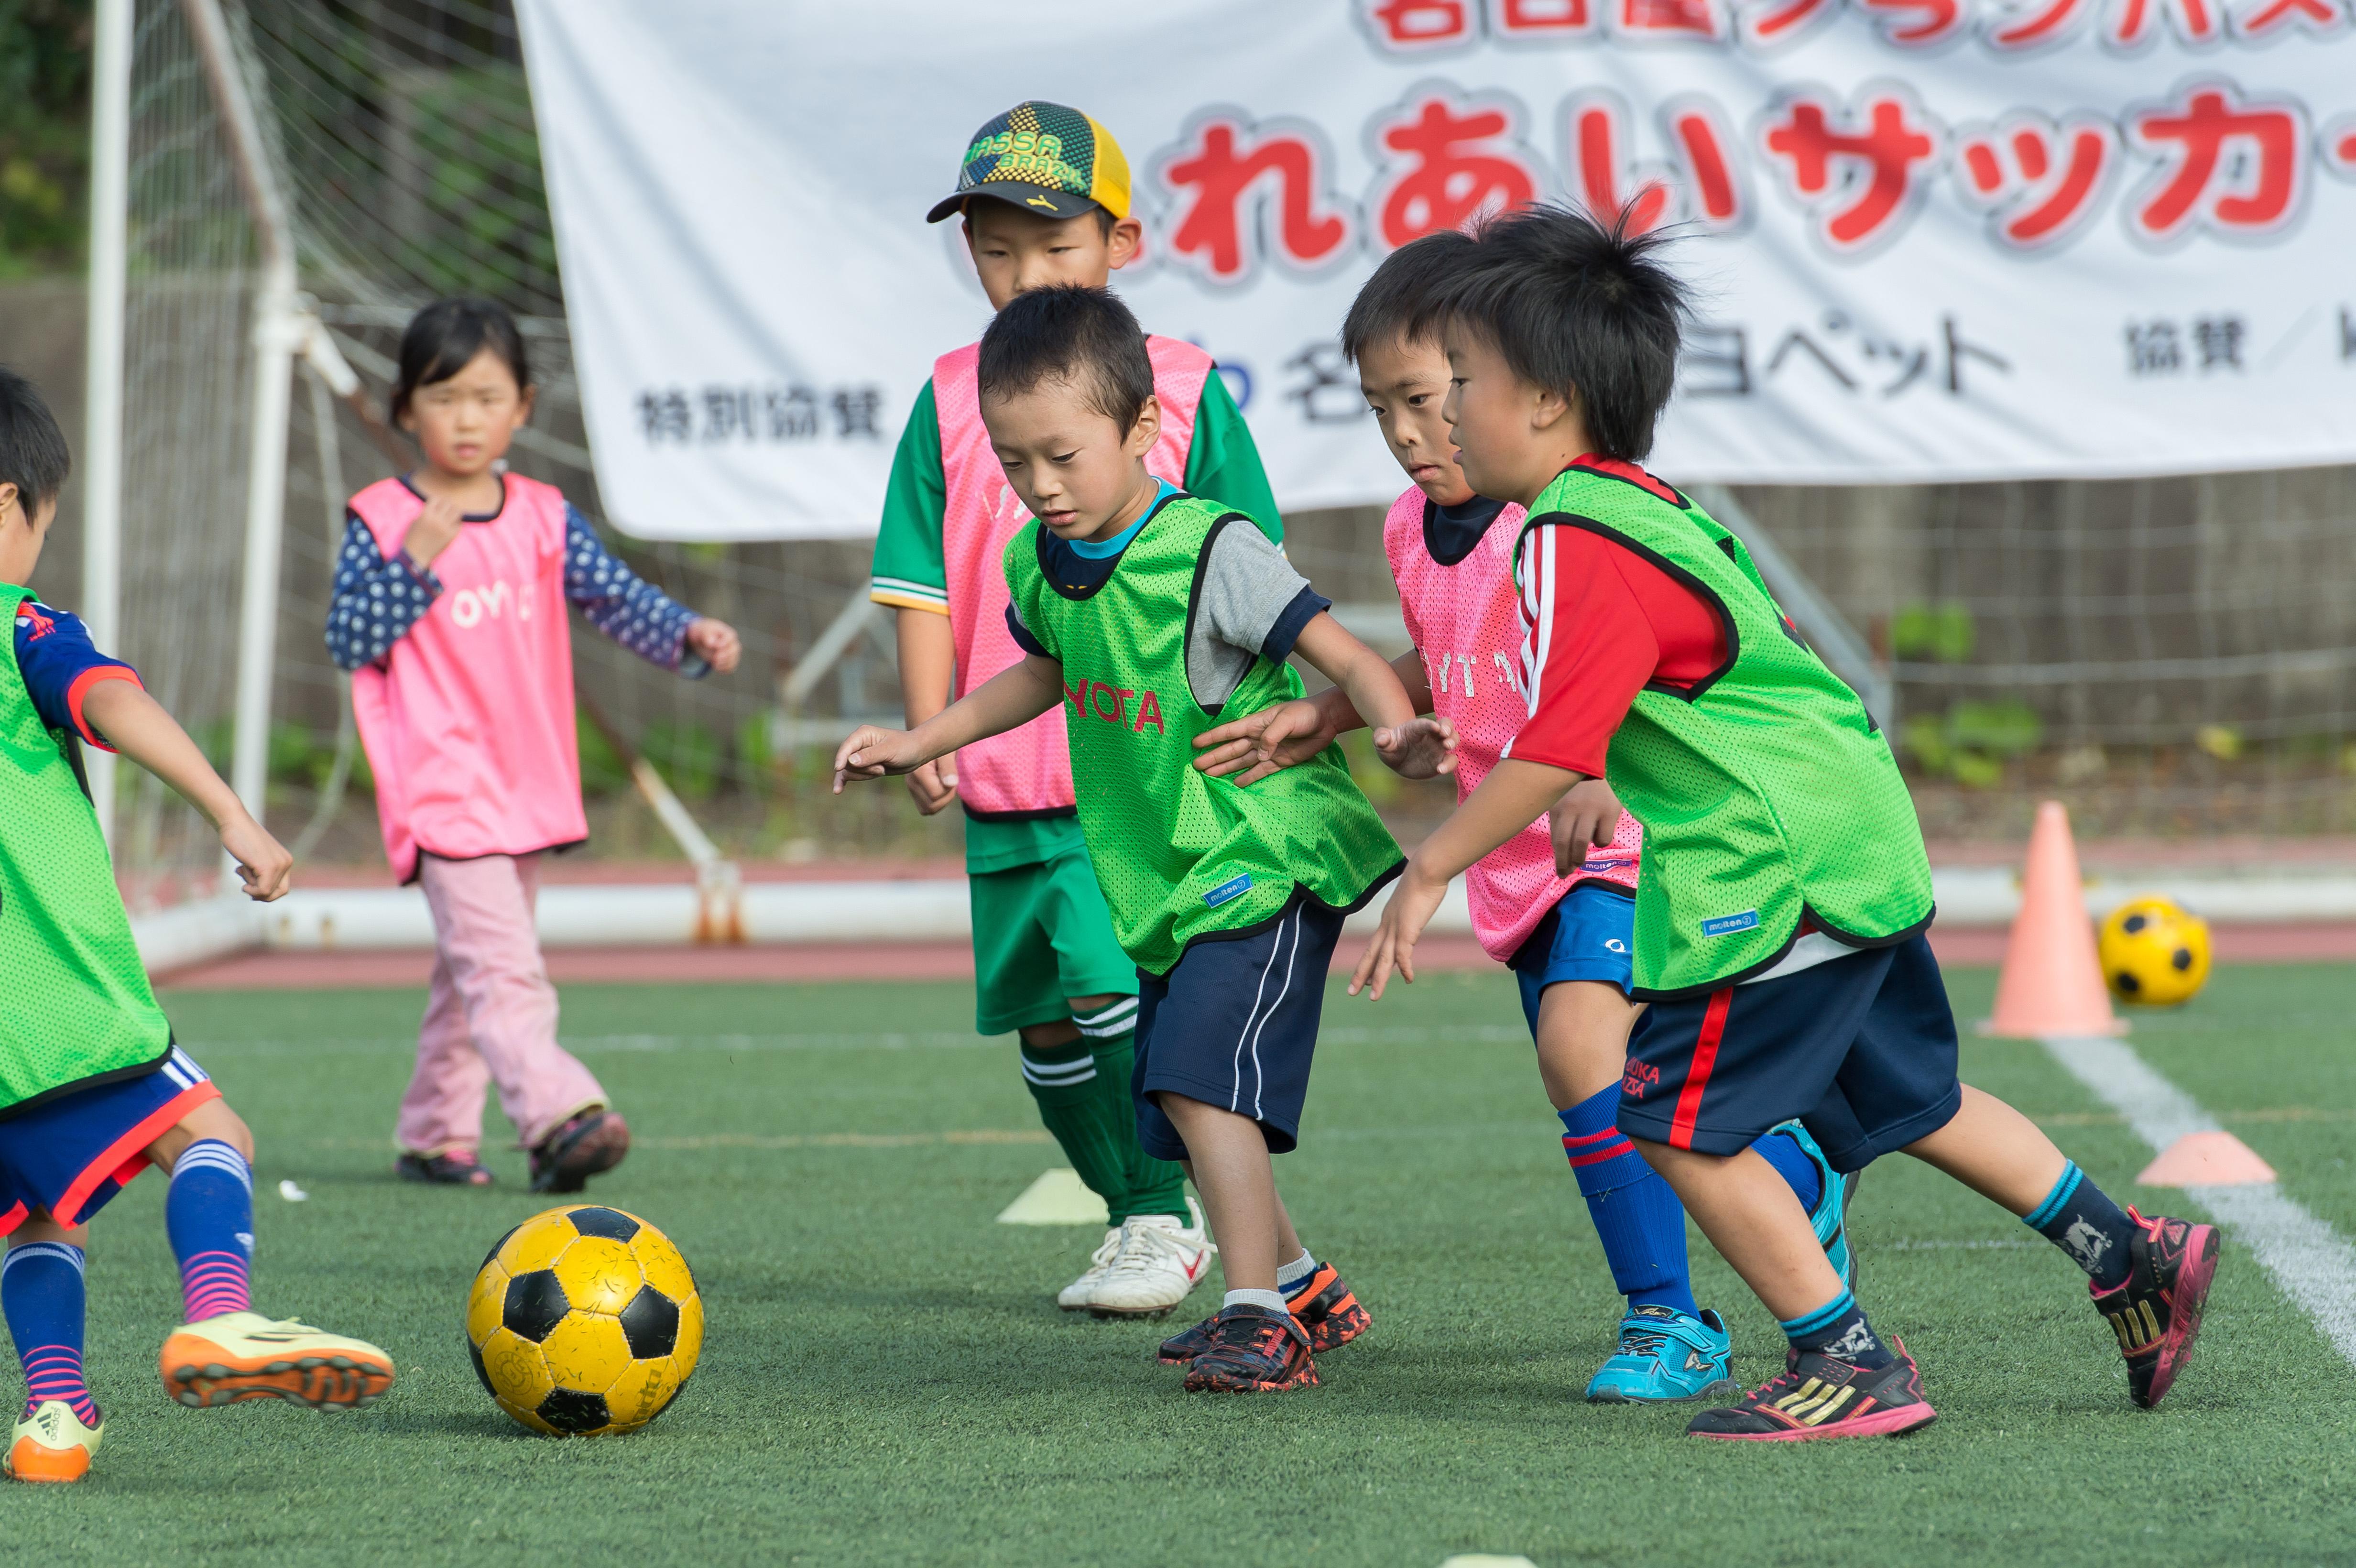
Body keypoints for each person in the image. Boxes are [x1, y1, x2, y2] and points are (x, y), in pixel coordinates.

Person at [1352, 204, 2221, 1439]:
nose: (1439, 419)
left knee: (1664, 1117)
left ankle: (1850, 1360)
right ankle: (2129, 1250)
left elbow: (1556, 744)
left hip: (1784, 868)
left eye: (1459, 388)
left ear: (1543, 400)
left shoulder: (1571, 539)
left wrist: (1430, 866)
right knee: (1908, 1104)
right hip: (1851, 831)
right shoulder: (1641, 505)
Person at [1190, 233, 1855, 1403]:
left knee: (1577, 1056)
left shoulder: (1565, 516)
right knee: (1629, 1082)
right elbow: (1463, 652)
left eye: (1428, 396)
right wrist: (1342, 711)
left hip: (1616, 837)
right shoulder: (1413, 528)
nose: (1406, 430)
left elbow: (1632, 648)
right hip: (1512, 860)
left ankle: (1669, 1319)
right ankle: (1791, 1168)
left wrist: (1593, 763)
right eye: (1381, 406)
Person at [837, 286, 1451, 1392]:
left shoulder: (1207, 548)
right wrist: (923, 736)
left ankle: (1258, 1315)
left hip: (1261, 854)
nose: (1041, 486)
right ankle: (1301, 1274)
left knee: (1200, 1080)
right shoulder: (1040, 559)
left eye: (1063, 457)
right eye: (1016, 464)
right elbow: (1038, 668)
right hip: (1166, 874)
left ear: (1140, 429)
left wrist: (1394, 726)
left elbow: (1341, 650)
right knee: (1177, 1090)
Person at [869, 101, 1284, 1318]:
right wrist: (924, 726)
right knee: (1046, 1027)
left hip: (1145, 772)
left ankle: (1163, 1212)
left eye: (1053, 247)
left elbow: (1250, 572)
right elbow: (913, 580)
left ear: (1122, 241)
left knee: (1122, 991)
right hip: (1001, 777)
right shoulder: (950, 397)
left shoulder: (1187, 389)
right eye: (995, 250)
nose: (1022, 274)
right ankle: (1135, 1208)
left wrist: (1266, 722)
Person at [0, 367, 393, 1483]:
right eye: (47, 520)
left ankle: (56, 1420)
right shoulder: (24, 626)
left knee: (38, 1216)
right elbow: (115, 704)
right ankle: (221, 1313)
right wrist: (233, 813)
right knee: (212, 1131)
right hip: (54, 997)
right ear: (6, 504)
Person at [325, 299, 743, 1192]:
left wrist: (687, 635)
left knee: (469, 968)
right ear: (406, 410)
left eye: (486, 397)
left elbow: (616, 598)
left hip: (523, 784)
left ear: (522, 406)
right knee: (505, 969)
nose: (465, 418)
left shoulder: (545, 516)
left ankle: (434, 1133)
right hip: (444, 789)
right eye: (443, 398)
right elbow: (348, 639)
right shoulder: (381, 519)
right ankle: (558, 1115)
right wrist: (415, 565)